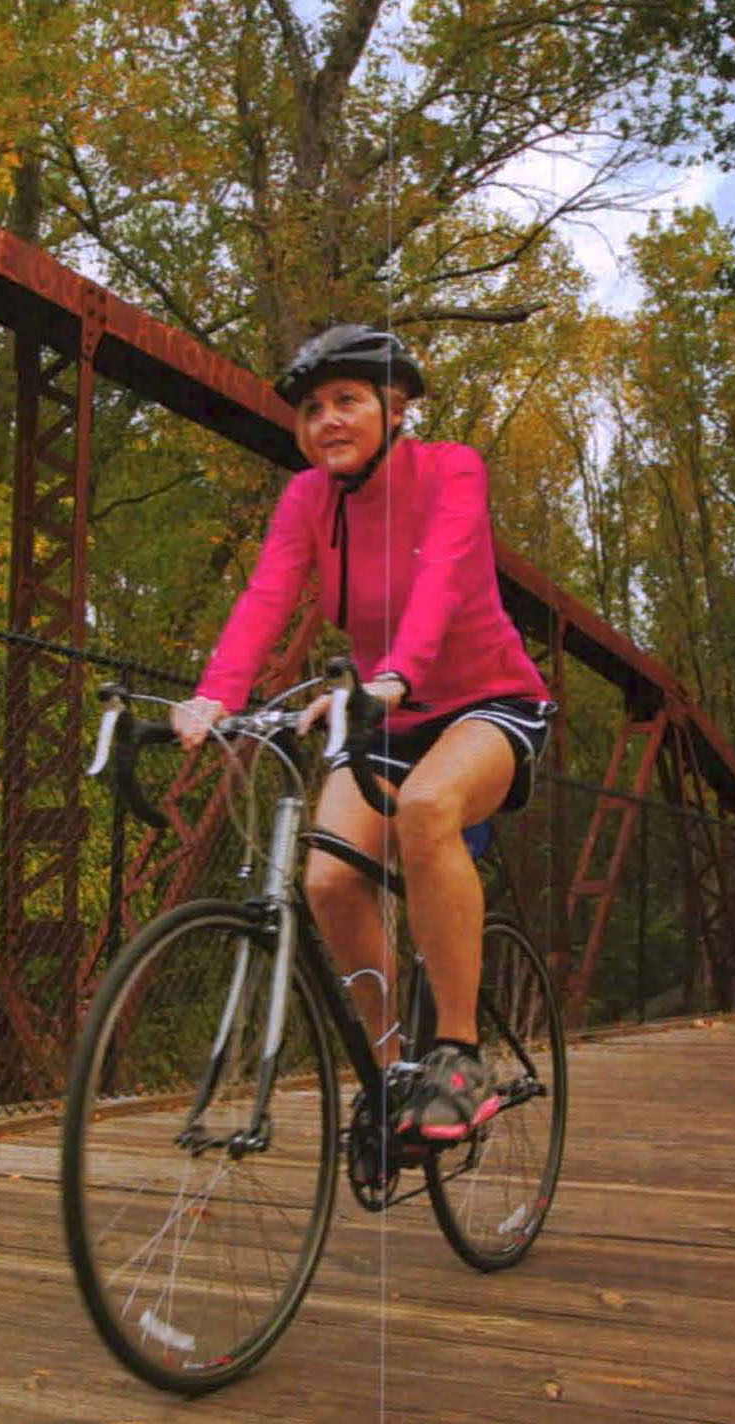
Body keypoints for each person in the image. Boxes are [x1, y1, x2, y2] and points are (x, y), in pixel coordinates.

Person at [171, 324, 553, 1142]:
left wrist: (394, 674)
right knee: (327, 882)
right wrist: (212, 697)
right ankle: (390, 1079)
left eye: (346, 401)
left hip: (486, 700)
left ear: (395, 406)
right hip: (386, 708)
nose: (326, 421)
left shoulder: (451, 468)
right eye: (311, 409)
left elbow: (446, 575)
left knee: (427, 806)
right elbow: (267, 598)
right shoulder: (307, 500)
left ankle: (458, 1056)